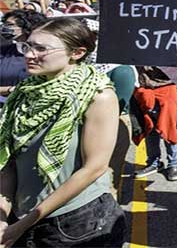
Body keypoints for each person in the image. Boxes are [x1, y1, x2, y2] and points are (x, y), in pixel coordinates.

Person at [0, 17, 125, 247]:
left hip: (77, 224)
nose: (29, 55)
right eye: (27, 46)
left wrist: (26, 222)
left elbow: (94, 168)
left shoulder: (98, 95)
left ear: (76, 53)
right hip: (22, 216)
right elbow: (9, 162)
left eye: (41, 49)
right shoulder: (24, 93)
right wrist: (3, 215)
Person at [132, 66, 177, 181]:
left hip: (166, 88)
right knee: (148, 128)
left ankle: (174, 164)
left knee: (170, 128)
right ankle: (153, 162)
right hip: (144, 89)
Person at [0, 10, 47, 99]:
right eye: (4, 24)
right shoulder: (3, 52)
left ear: (28, 27)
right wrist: (10, 89)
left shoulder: (46, 54)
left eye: (10, 25)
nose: (4, 28)